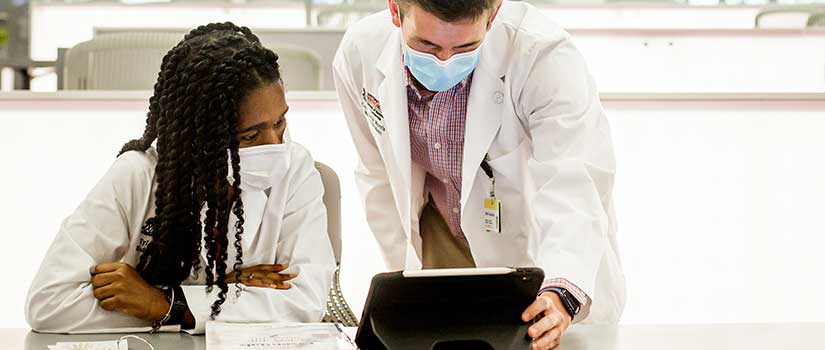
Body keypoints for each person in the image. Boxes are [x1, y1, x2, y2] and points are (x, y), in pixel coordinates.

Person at [333, 1, 626, 348]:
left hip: (532, 245)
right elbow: (377, 171)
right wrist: (403, 275)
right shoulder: (360, 52)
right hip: (437, 235)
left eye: (465, 48)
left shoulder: (543, 56)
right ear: (396, 11)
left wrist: (562, 290)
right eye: (426, 45)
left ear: (493, 14)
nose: (444, 60)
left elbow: (573, 180)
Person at [25, 22, 335, 334]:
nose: (275, 146)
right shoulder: (137, 176)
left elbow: (305, 302)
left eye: (280, 122)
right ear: (200, 138)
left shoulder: (295, 169)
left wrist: (164, 303)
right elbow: (50, 302)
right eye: (250, 135)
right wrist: (221, 299)